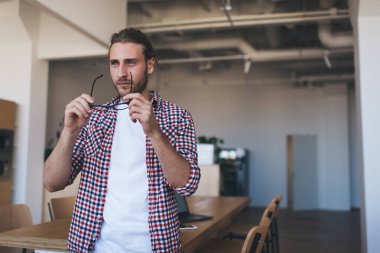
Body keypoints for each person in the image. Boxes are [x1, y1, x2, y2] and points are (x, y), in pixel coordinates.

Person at [43, 28, 200, 253]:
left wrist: (154, 131)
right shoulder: (94, 118)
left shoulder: (177, 117)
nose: (121, 72)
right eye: (114, 63)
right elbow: (52, 183)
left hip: (155, 247)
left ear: (150, 65)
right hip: (93, 247)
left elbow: (187, 185)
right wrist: (69, 132)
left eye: (131, 62)